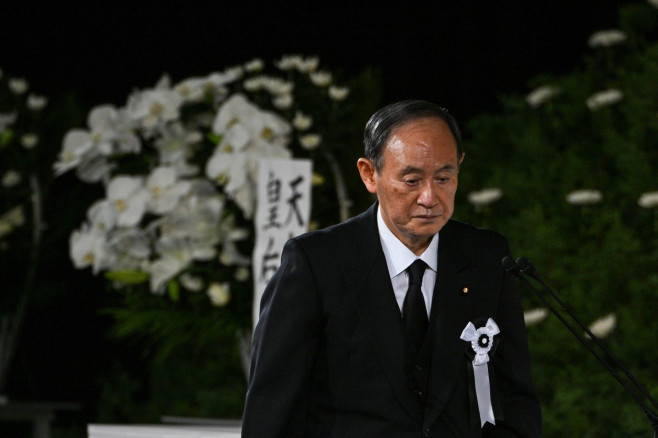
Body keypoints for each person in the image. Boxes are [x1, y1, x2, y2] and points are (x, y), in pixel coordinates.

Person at [242, 99, 541, 437]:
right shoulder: (316, 262)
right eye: (412, 181)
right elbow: (273, 407)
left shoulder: (486, 255)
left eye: (444, 178)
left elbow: (515, 398)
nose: (430, 197)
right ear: (370, 174)